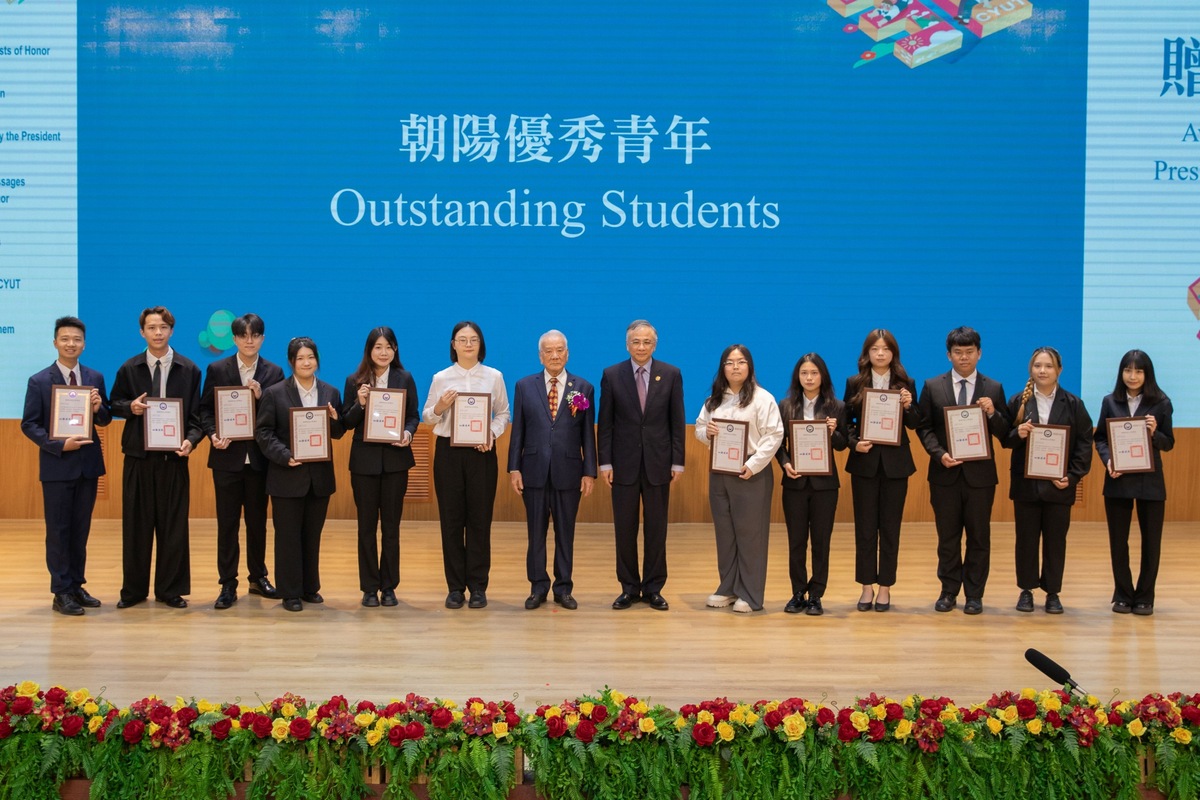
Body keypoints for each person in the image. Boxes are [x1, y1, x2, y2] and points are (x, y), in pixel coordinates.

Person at [110, 306, 204, 609]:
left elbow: (196, 417)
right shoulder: (130, 368)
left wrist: (191, 441)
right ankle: (134, 591)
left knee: (173, 527)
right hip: (138, 458)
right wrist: (130, 409)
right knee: (136, 527)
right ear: (142, 332)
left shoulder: (189, 370)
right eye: (151, 327)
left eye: (163, 327)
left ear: (171, 330)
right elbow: (114, 404)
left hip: (174, 460)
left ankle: (170, 590)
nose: (158, 332)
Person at [21, 316, 112, 616]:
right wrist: (59, 445)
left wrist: (99, 409)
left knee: (80, 529)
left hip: (87, 466)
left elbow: (105, 418)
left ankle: (76, 584)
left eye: (77, 339)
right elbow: (29, 424)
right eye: (65, 339)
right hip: (57, 466)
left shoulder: (94, 377)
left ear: (84, 344)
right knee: (58, 530)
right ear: (55, 342)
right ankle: (60, 591)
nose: (71, 344)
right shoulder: (39, 381)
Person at [916, 326, 1009, 615]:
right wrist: (939, 454)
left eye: (970, 352)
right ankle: (948, 590)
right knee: (948, 537)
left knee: (979, 537)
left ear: (979, 354)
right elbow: (924, 427)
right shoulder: (933, 386)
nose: (964, 357)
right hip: (945, 474)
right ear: (949, 355)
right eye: (958, 352)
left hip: (980, 477)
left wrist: (993, 413)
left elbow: (1006, 435)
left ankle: (975, 594)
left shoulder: (993, 388)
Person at [597, 320, 686, 611]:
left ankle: (653, 588)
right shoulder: (612, 375)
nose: (641, 347)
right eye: (636, 342)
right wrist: (605, 462)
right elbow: (606, 424)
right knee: (624, 528)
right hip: (622, 465)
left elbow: (676, 422)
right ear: (627, 344)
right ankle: (628, 587)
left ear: (655, 345)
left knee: (656, 529)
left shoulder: (671, 374)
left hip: (659, 464)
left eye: (647, 342)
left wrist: (678, 461)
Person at [199, 313, 285, 610]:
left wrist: (262, 398)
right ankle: (227, 583)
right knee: (227, 523)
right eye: (243, 335)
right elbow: (205, 411)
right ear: (234, 339)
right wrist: (212, 434)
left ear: (262, 338)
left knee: (258, 522)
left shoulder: (274, 372)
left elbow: (279, 417)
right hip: (227, 457)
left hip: (261, 460)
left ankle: (257, 577)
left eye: (255, 335)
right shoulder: (216, 368)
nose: (250, 340)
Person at [422, 321, 510, 610]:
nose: (468, 344)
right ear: (453, 344)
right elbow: (427, 417)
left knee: (479, 521)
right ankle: (455, 587)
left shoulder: (494, 376)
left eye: (474, 339)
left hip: (482, 454)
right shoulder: (441, 378)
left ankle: (478, 587)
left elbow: (503, 414)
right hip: (449, 453)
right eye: (462, 339)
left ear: (480, 344)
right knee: (451, 521)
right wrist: (440, 407)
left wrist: (492, 434)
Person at [255, 337, 345, 612]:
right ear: (292, 362)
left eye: (311, 357)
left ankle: (309, 587)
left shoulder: (330, 392)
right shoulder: (275, 392)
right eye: (300, 358)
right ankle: (290, 591)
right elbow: (263, 432)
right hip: (286, 475)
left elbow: (339, 433)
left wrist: (333, 419)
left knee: (312, 535)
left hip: (319, 478)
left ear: (317, 360)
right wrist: (285, 455)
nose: (306, 362)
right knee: (288, 536)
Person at [508, 330, 597, 610]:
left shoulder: (583, 387)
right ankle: (537, 587)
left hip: (569, 471)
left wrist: (589, 471)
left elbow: (587, 435)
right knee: (535, 533)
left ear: (567, 353)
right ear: (540, 355)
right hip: (532, 470)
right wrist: (514, 468)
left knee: (565, 532)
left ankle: (563, 588)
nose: (555, 355)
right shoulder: (524, 386)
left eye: (560, 350)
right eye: (549, 351)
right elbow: (518, 432)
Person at [1001, 346, 1093, 615]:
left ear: (1059, 370)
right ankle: (1026, 590)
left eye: (1049, 366)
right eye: (1038, 366)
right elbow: (1004, 440)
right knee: (1026, 540)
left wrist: (1073, 475)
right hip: (1026, 486)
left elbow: (1085, 442)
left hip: (1059, 486)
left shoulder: (1074, 404)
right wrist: (1018, 432)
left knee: (1056, 541)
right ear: (1031, 369)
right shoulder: (1018, 401)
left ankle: (1053, 592)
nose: (1043, 370)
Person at [696, 344, 784, 613]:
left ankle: (751, 593)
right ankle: (728, 588)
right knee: (726, 533)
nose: (735, 367)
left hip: (750, 474)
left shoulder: (763, 398)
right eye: (730, 363)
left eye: (741, 362)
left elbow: (775, 435)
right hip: (720, 472)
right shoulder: (714, 400)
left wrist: (753, 464)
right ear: (722, 368)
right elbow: (700, 428)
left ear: (750, 367)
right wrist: (707, 432)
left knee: (750, 535)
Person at [341, 327, 420, 608]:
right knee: (365, 527)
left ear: (395, 350)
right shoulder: (355, 381)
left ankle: (389, 586)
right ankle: (368, 587)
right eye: (378, 347)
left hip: (396, 463)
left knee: (391, 527)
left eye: (388, 347)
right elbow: (345, 423)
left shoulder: (404, 378)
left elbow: (413, 416)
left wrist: (408, 434)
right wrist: (360, 403)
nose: (383, 352)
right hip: (364, 463)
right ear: (369, 350)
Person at [842, 329, 920, 613]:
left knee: (890, 528)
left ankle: (885, 587)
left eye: (886, 349)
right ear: (867, 353)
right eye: (875, 349)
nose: (880, 354)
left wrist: (910, 406)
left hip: (896, 465)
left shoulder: (905, 383)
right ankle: (866, 586)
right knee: (864, 528)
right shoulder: (855, 382)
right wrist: (854, 443)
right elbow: (846, 422)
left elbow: (915, 423)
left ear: (893, 353)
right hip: (864, 463)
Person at [1093, 349, 1174, 616]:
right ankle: (1122, 595)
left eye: (1138, 371)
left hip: (1150, 482)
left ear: (1147, 374)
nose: (1133, 376)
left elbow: (1168, 442)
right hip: (1118, 479)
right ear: (1121, 373)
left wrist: (1153, 433)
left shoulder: (1161, 403)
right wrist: (1108, 461)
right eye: (1128, 370)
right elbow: (1101, 438)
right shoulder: (1110, 401)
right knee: (1119, 541)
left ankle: (1145, 597)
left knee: (1152, 542)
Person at [776, 353, 847, 616]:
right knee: (796, 541)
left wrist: (833, 432)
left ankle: (816, 594)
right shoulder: (785, 406)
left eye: (814, 373)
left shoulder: (836, 406)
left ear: (823, 376)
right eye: (804, 373)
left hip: (825, 486)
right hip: (794, 483)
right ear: (798, 376)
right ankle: (797, 592)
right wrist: (785, 464)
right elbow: (777, 444)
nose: (809, 378)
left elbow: (842, 445)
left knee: (821, 541)